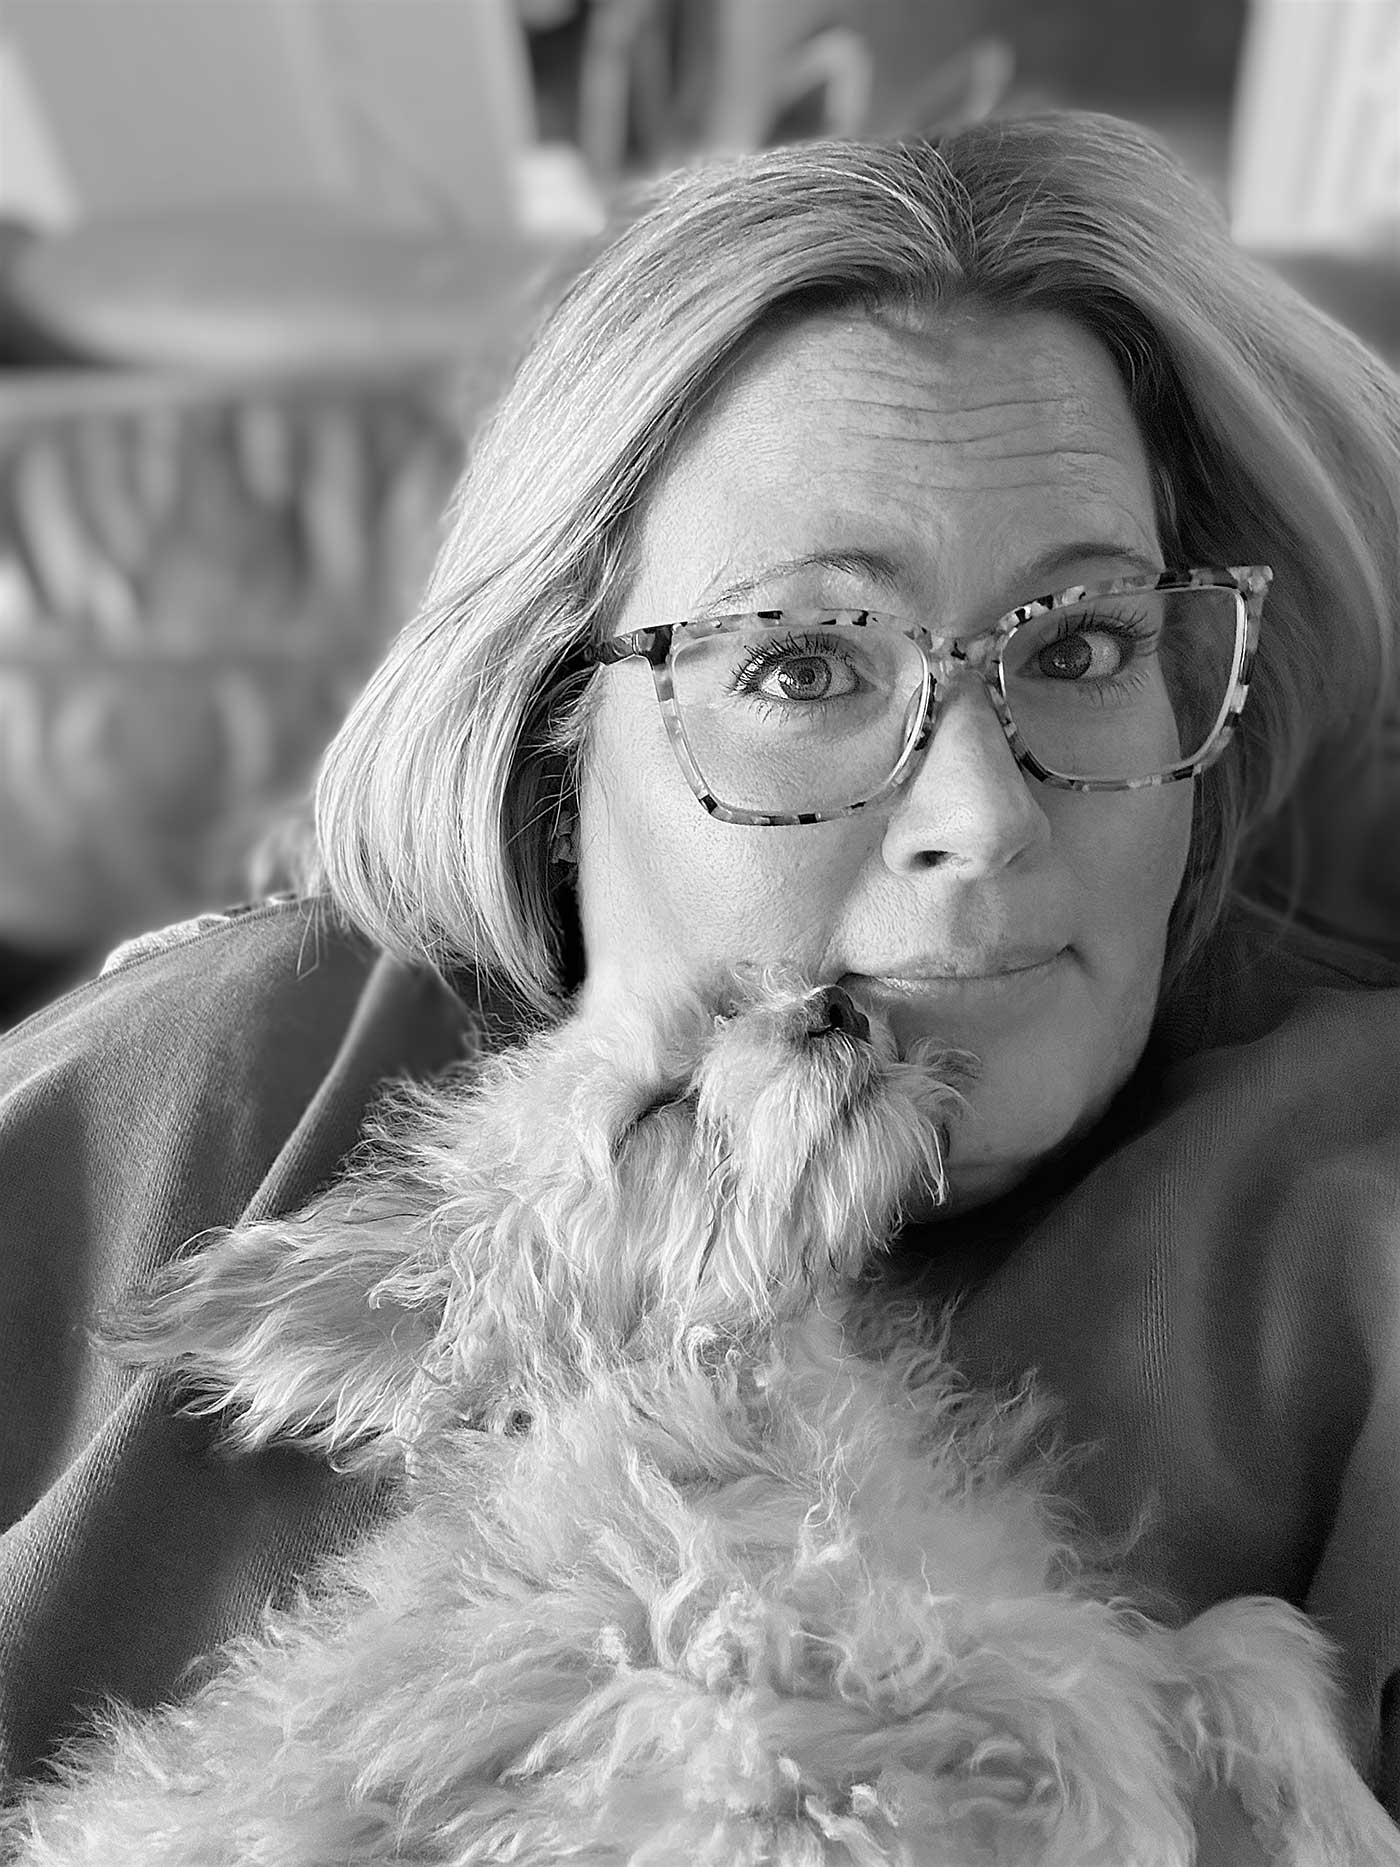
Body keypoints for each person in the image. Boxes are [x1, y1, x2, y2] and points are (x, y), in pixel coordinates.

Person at [2, 111, 1399, 1847]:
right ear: (550, 736)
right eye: (806, 661)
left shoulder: (1360, 1200)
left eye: (1084, 645)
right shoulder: (204, 1088)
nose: (980, 816)